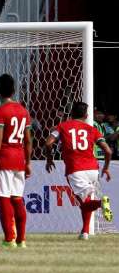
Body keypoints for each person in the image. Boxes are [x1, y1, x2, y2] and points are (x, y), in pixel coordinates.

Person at [45, 102, 113, 240]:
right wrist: (106, 167)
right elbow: (108, 150)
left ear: (71, 113)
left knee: (85, 202)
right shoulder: (92, 129)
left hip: (76, 169)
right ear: (86, 115)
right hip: (93, 169)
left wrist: (49, 159)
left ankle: (101, 203)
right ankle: (85, 232)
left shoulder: (62, 126)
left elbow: (48, 143)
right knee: (85, 202)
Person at [0, 74, 32, 248]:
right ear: (14, 90)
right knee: (17, 199)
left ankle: (9, 238)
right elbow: (28, 140)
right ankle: (22, 239)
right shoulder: (23, 111)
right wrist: (28, 162)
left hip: (4, 158)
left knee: (3, 198)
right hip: (19, 158)